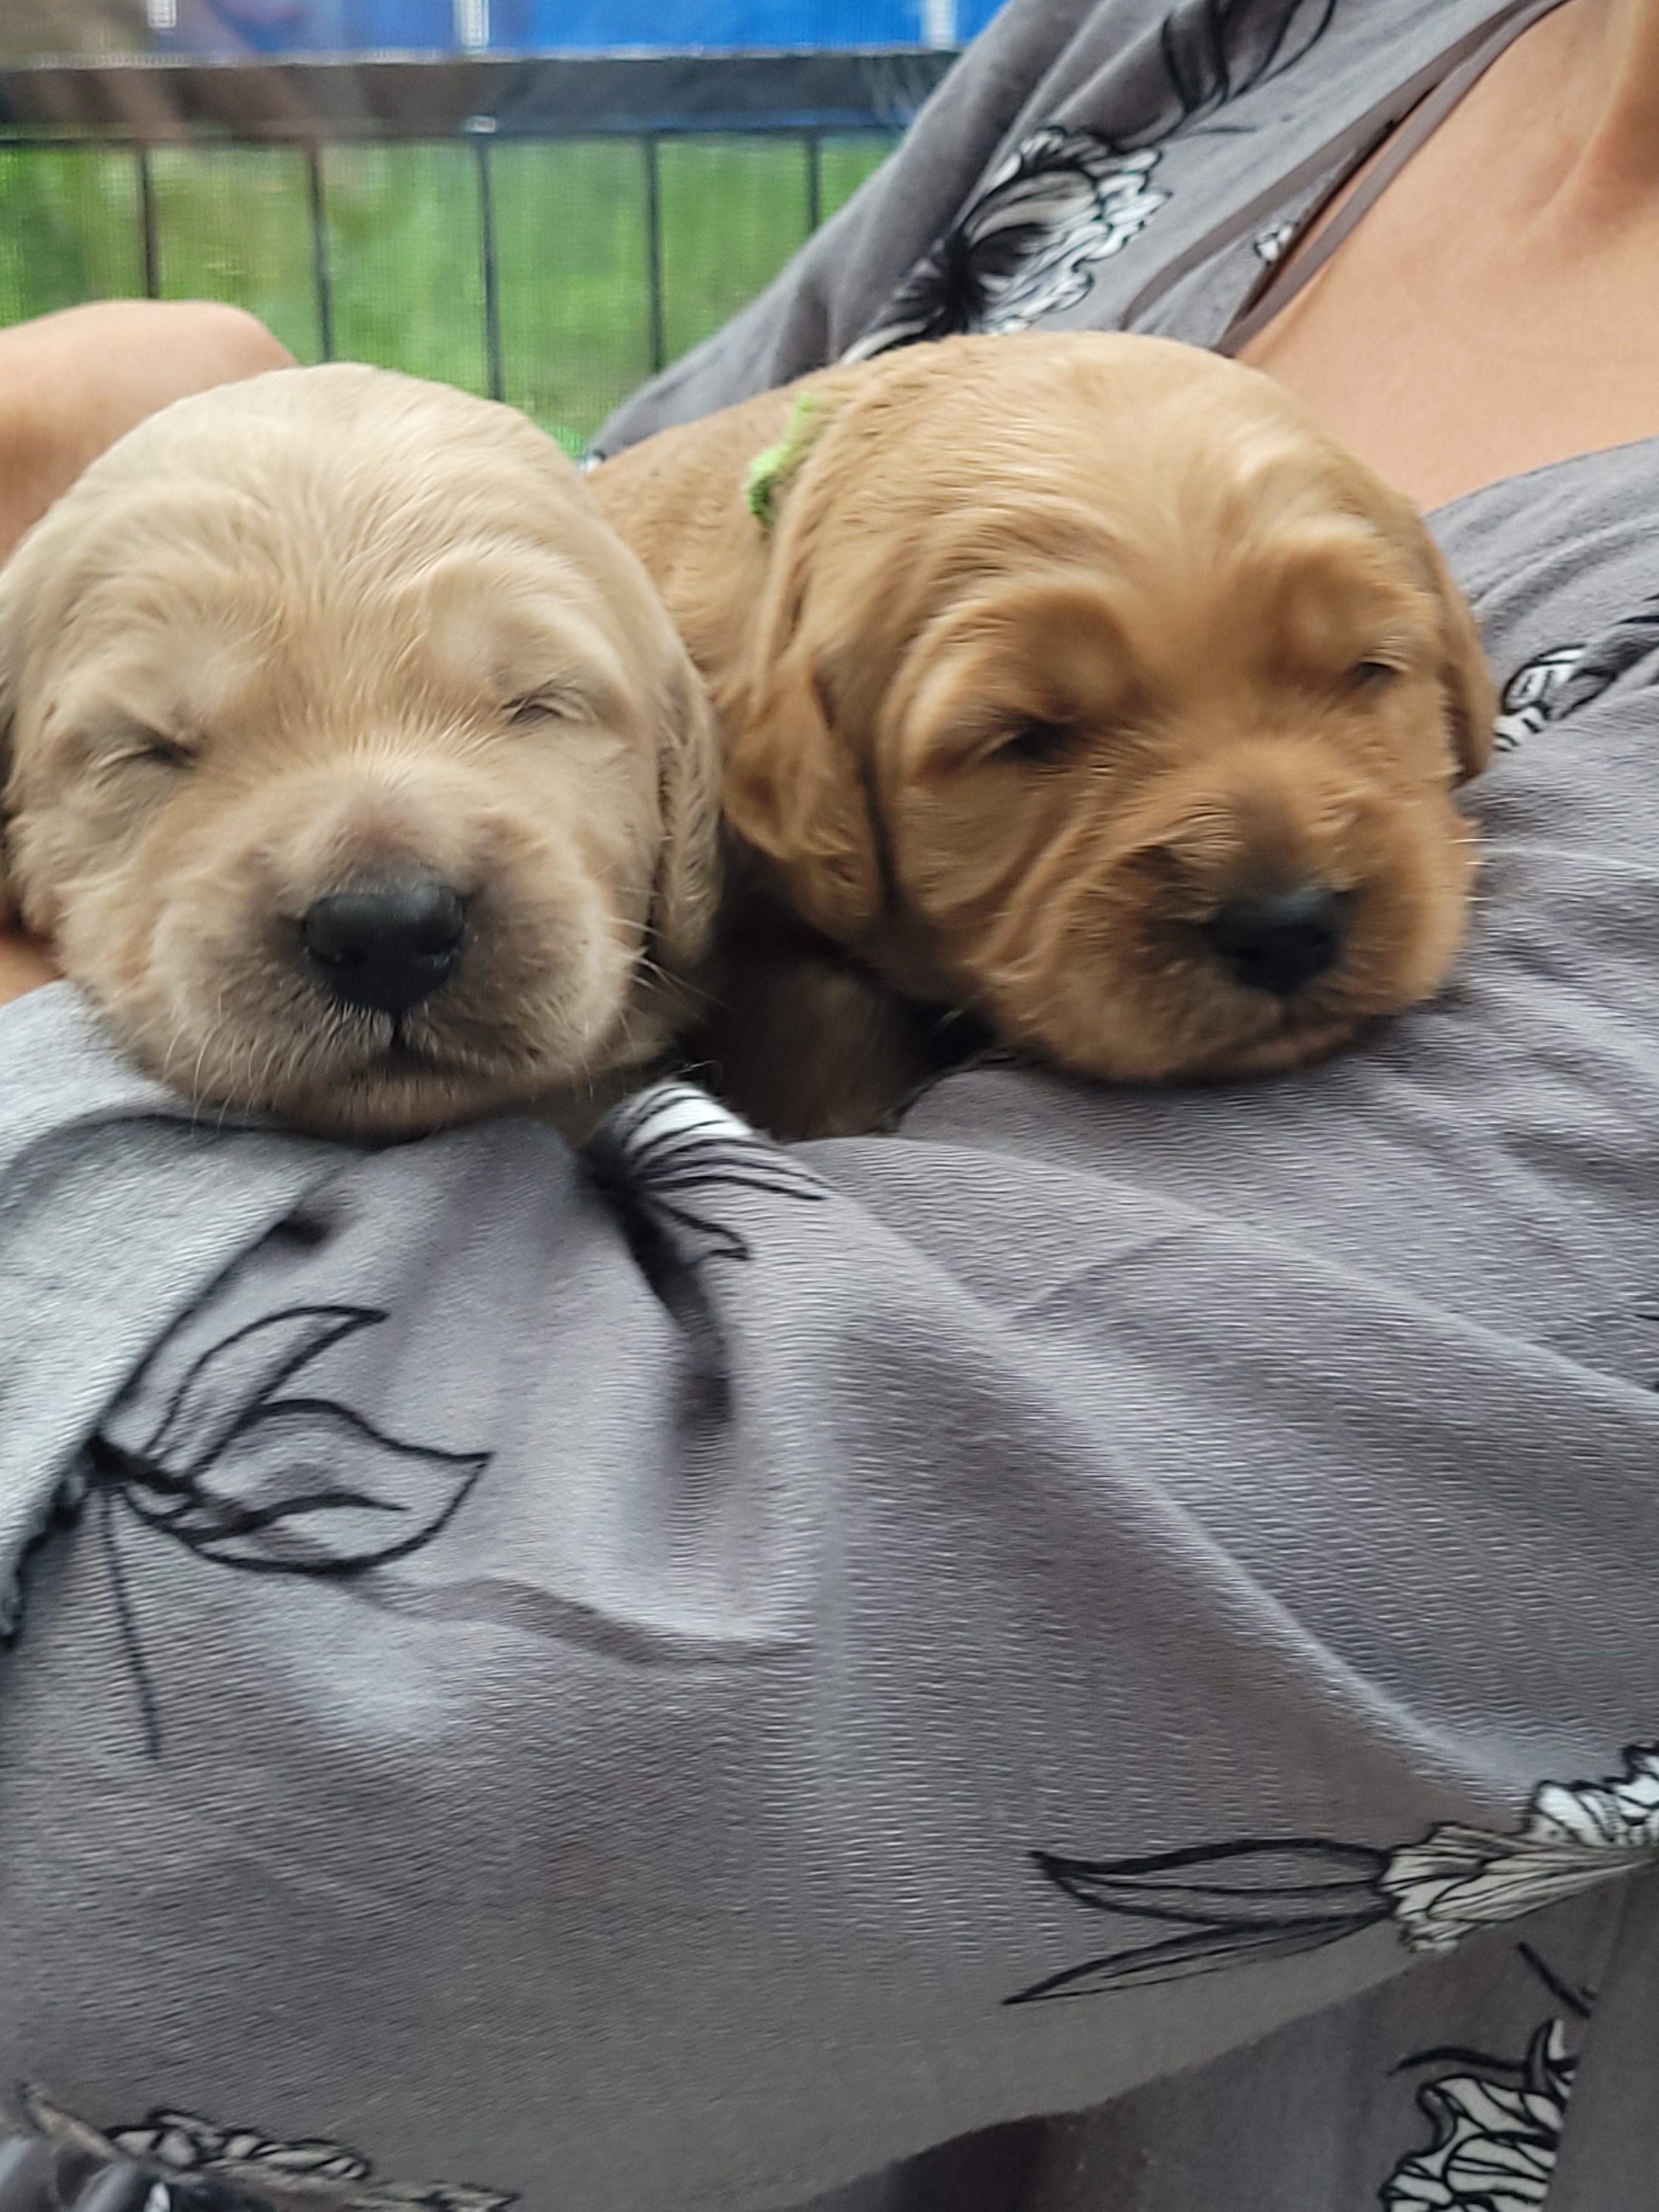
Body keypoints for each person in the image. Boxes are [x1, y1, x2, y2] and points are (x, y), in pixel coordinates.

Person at [3, 4, 1659, 2207]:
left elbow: (300, 1760)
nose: (1275, 860)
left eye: (1359, 674)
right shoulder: (1247, 33)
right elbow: (540, 576)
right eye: (1030, 744)